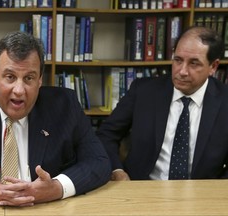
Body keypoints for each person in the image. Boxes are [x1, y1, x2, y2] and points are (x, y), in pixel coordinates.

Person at [0, 31, 111, 206]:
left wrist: (57, 188)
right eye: (10, 77)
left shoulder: (65, 106)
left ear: (40, 80)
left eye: (29, 78)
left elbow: (98, 161)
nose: (19, 90)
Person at [96, 26, 228, 181]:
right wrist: (117, 170)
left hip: (201, 195)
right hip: (142, 189)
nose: (182, 71)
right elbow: (106, 134)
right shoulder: (144, 91)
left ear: (213, 66)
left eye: (194, 63)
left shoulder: (224, 101)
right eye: (178, 60)